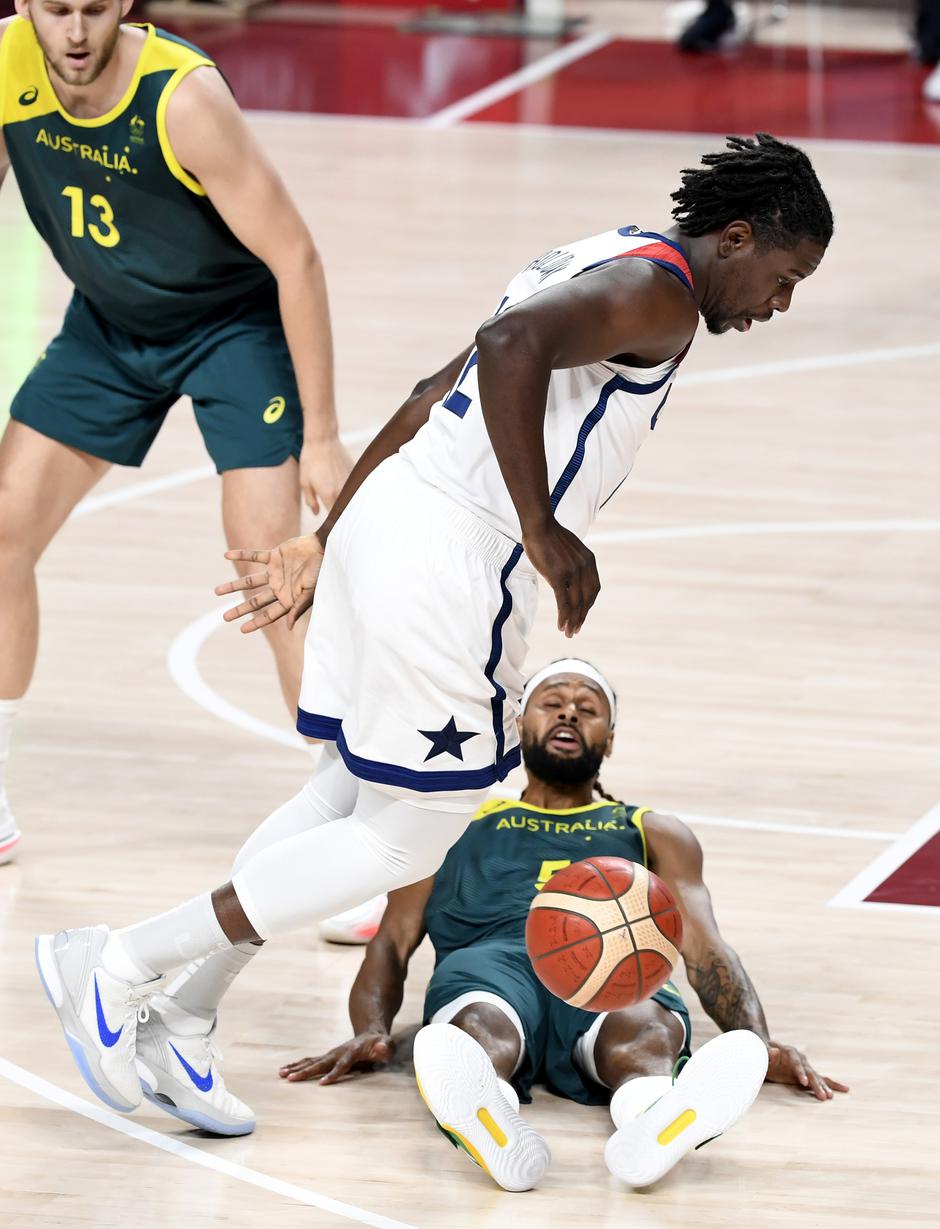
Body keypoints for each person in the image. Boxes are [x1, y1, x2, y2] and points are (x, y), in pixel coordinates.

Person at [36, 133, 834, 1139]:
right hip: (454, 552)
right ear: (736, 234)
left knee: (344, 792)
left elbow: (433, 385)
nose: (779, 302)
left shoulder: (607, 252)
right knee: (419, 823)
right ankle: (119, 963)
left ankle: (185, 1014)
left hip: (399, 518)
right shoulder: (662, 296)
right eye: (785, 274)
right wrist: (544, 530)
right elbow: (507, 353)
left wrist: (333, 533)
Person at [0, 0, 351, 865]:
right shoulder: (6, 65)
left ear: (122, 4)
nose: (74, 32)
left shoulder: (182, 97)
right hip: (109, 325)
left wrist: (326, 434)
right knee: (1, 533)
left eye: (92, 8)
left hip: (231, 328)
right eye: (56, 9)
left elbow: (296, 257)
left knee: (268, 571)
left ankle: (350, 827)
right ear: (23, 6)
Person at [279, 661, 848, 1191]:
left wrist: (757, 1040)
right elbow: (394, 940)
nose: (569, 712)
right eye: (552, 701)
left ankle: (651, 1122)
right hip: (494, 961)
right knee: (478, 1027)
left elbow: (704, 948)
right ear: (520, 724)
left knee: (645, 1026)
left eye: (588, 706)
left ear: (610, 739)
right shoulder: (453, 819)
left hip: (616, 966)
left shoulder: (653, 829)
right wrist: (370, 1027)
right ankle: (494, 1119)